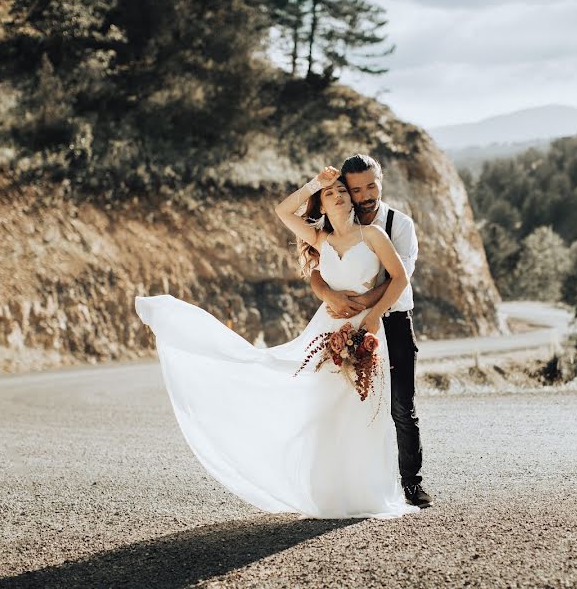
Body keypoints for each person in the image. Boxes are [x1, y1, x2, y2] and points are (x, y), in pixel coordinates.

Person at [134, 165, 419, 519]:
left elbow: (400, 277)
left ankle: (370, 492)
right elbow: (283, 211)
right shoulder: (320, 240)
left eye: (344, 192)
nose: (341, 196)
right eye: (332, 195)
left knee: (366, 410)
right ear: (323, 208)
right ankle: (329, 494)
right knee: (325, 409)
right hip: (326, 330)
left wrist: (373, 314)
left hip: (369, 328)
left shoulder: (376, 234)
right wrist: (317, 183)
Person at [310, 154, 432, 507]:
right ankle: (356, 484)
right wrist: (327, 293)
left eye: (371, 186)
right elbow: (316, 268)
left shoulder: (399, 224)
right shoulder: (335, 222)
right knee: (349, 406)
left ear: (381, 180)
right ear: (346, 190)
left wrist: (370, 308)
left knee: (400, 406)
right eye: (357, 188)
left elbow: (400, 276)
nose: (365, 195)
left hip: (391, 321)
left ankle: (412, 484)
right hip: (345, 323)